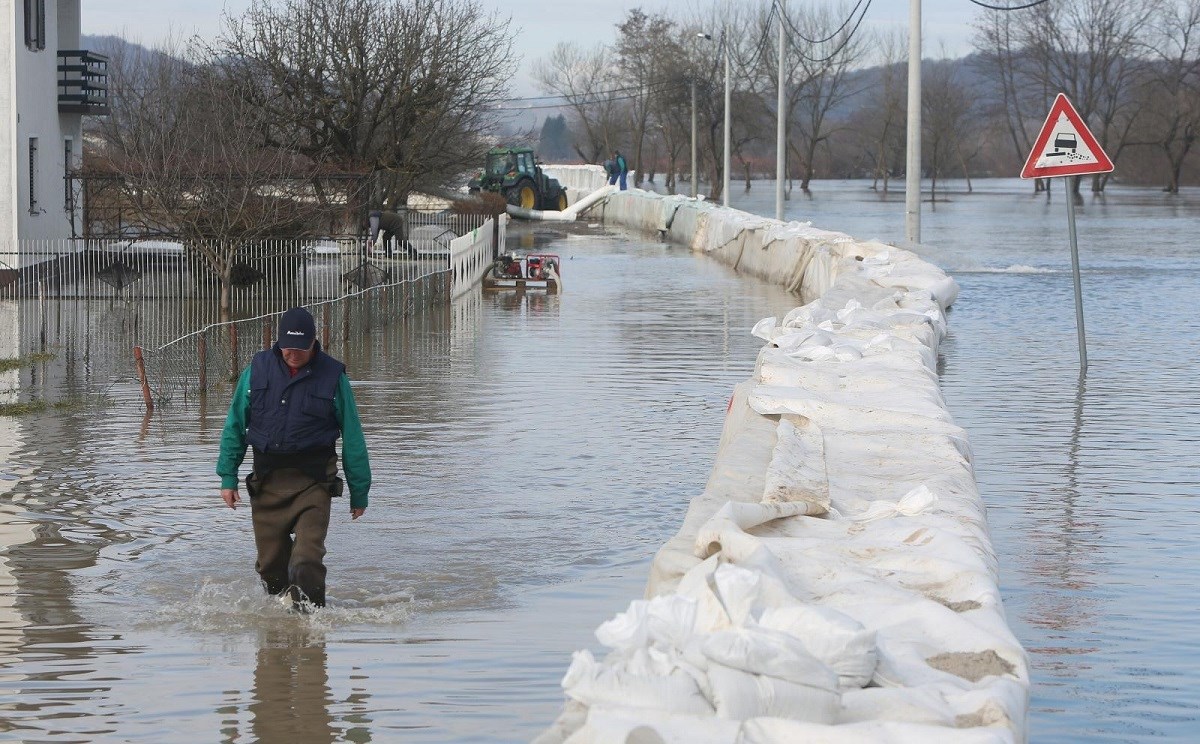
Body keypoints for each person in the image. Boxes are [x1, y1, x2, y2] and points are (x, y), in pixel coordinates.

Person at [217, 306, 371, 610]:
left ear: (314, 342)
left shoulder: (333, 376)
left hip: (314, 485)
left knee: (306, 561)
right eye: (288, 347)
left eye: (301, 348)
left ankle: (312, 632)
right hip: (267, 485)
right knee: (271, 568)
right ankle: (279, 632)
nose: (293, 354)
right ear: (278, 341)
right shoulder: (257, 370)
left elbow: (353, 435)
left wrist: (359, 490)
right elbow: (235, 424)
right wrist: (227, 476)